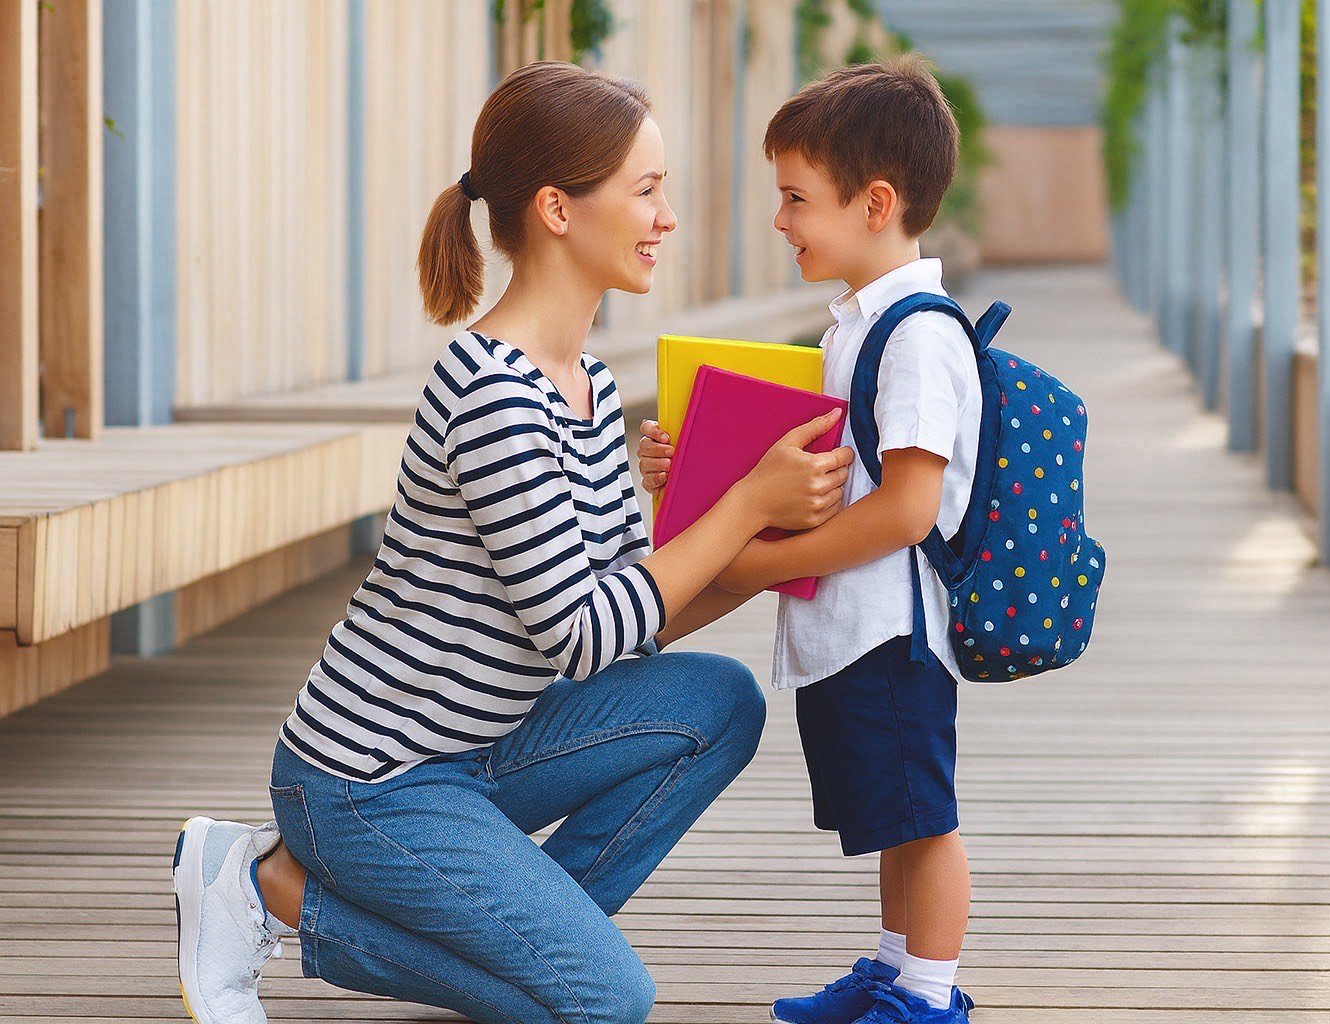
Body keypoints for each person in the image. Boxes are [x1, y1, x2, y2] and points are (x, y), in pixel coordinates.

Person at [171, 60, 853, 1024]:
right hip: (371, 779)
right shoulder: (490, 390)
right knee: (605, 1001)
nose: (667, 219)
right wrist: (742, 508)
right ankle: (264, 886)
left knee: (721, 701)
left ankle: (521, 945)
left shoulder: (589, 386)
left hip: (485, 745)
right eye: (647, 191)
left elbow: (632, 617)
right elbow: (579, 636)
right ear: (557, 210)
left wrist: (775, 527)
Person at [639, 55, 979, 1024]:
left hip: (892, 632)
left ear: (875, 203)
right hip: (849, 625)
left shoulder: (915, 335)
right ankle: (892, 967)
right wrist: (693, 464)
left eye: (796, 198)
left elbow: (908, 509)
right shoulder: (853, 330)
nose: (780, 220)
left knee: (924, 821)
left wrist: (762, 561)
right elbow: (818, 472)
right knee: (891, 818)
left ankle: (929, 995)